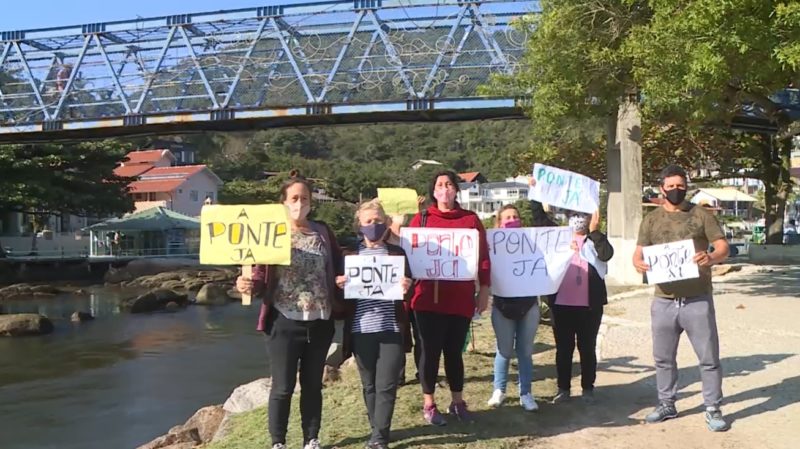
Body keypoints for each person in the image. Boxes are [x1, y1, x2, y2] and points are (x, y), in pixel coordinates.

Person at [236, 172, 344, 449]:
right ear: (283, 201)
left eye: (304, 198)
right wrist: (247, 283)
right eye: (294, 198)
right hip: (284, 322)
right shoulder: (272, 233)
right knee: (282, 388)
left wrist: (343, 282)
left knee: (312, 386)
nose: (300, 203)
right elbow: (260, 276)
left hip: (320, 321)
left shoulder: (323, 232)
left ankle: (311, 439)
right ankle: (278, 442)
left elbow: (338, 269)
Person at [633, 164, 730, 432]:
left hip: (697, 298)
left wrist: (710, 257)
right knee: (663, 358)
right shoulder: (650, 220)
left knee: (709, 357)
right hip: (663, 300)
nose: (677, 190)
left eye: (681, 185)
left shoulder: (701, 215)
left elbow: (723, 246)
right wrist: (639, 264)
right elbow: (637, 255)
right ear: (661, 187)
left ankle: (712, 408)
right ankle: (667, 404)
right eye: (671, 186)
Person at [406, 170, 491, 426]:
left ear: (456, 190)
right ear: (433, 191)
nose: (445, 189)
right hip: (426, 300)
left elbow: (483, 257)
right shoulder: (420, 220)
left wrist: (484, 289)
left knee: (454, 353)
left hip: (459, 300)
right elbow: (407, 257)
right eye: (440, 185)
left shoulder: (470, 220)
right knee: (429, 353)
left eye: (449, 184)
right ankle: (429, 403)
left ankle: (457, 401)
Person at [335, 199, 413, 449]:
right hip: (360, 330)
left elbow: (409, 291)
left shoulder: (397, 254)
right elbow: (339, 299)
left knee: (387, 385)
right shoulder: (349, 255)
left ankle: (379, 437)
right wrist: (338, 286)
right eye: (368, 221)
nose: (374, 225)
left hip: (391, 328)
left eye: (378, 220)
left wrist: (406, 287)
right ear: (360, 224)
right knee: (369, 384)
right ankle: (378, 428)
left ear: (387, 223)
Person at [550, 210, 614, 404]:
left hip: (589, 306)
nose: (578, 219)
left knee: (587, 348)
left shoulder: (596, 239)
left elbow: (606, 254)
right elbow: (539, 219)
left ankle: (588, 388)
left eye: (583, 215)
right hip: (561, 304)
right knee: (563, 349)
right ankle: (563, 389)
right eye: (574, 215)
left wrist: (595, 232)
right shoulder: (557, 238)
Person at [486, 204, 541, 411]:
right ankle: (499, 390)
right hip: (503, 305)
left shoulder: (533, 243)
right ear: (499, 223)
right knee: (504, 350)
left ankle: (526, 393)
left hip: (528, 305)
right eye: (507, 217)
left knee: (525, 351)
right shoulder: (491, 246)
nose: (512, 220)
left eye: (515, 216)